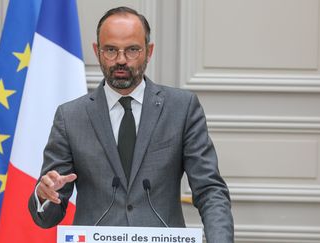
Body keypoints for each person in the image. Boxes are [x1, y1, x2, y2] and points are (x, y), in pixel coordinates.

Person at [28, 6, 234, 242]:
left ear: (149, 51)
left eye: (132, 50)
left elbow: (210, 190)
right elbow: (47, 217)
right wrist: (45, 196)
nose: (121, 60)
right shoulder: (70, 116)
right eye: (111, 50)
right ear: (97, 52)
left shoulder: (182, 108)